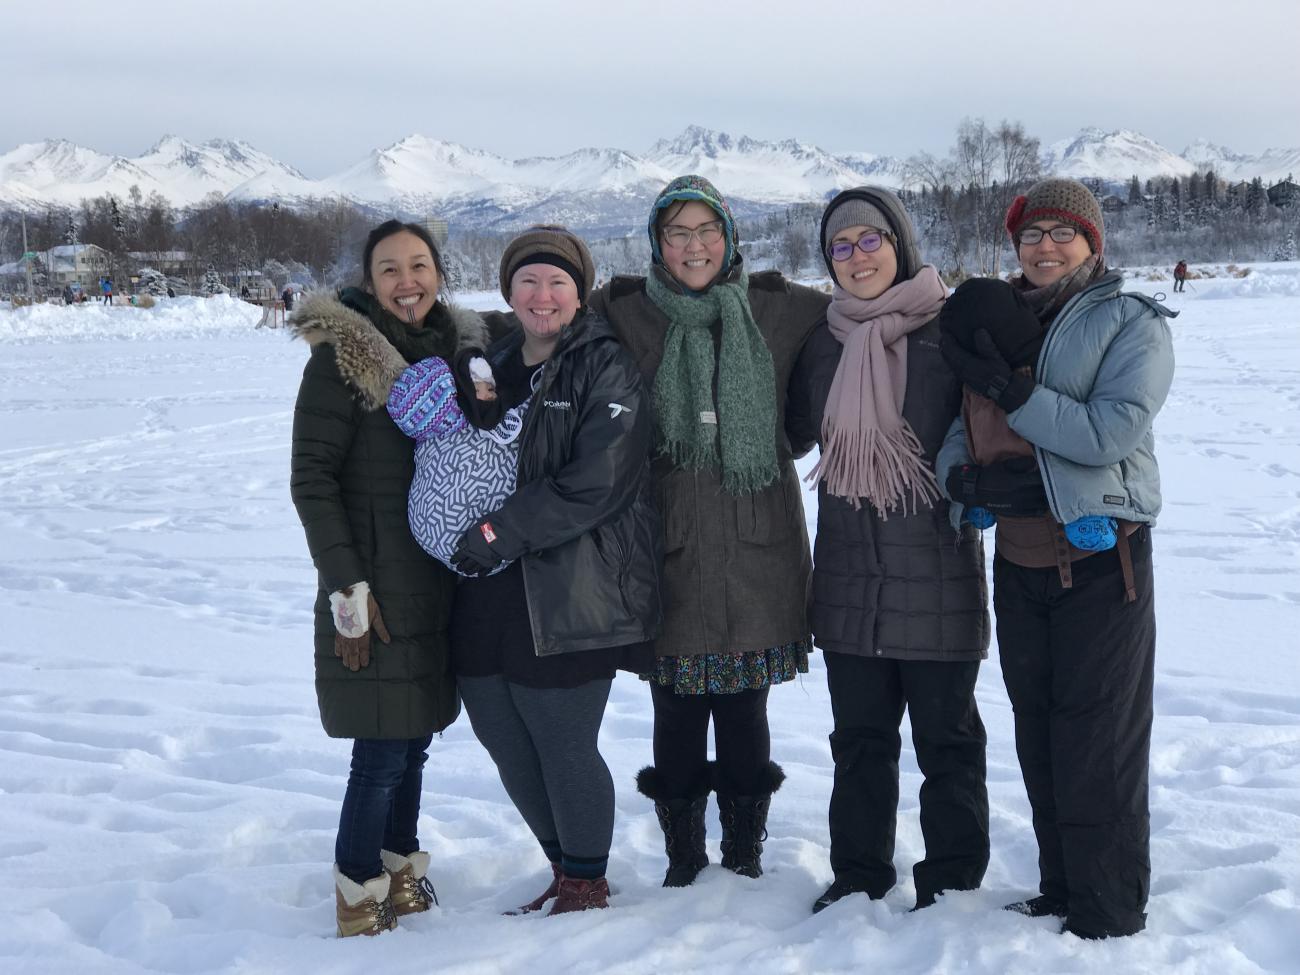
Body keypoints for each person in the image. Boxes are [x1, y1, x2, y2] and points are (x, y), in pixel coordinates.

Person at [937, 178, 1175, 939]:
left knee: (1097, 737)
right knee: (1037, 730)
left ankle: (1108, 905)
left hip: (1105, 564)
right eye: (1031, 233)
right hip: (1019, 560)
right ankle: (1061, 884)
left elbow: (1109, 433)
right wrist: (960, 480)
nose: (1045, 246)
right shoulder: (989, 315)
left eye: (1061, 232)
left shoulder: (1129, 321)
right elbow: (961, 421)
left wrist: (1014, 390)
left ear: (1092, 242)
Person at [589, 176, 829, 886]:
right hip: (666, 540)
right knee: (676, 705)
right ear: (658, 244)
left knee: (745, 703)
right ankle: (685, 855)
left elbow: (865, 313)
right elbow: (549, 315)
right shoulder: (627, 313)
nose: (695, 246)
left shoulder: (779, 310)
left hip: (759, 541)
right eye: (678, 233)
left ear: (729, 237)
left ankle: (745, 850)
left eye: (707, 231)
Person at [786, 187, 990, 914]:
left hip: (938, 573)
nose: (857, 256)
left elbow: (992, 421)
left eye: (870, 239)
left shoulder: (947, 331)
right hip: (848, 581)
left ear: (900, 244)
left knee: (948, 742)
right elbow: (792, 435)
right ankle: (859, 873)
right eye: (840, 246)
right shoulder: (822, 342)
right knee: (860, 743)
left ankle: (955, 880)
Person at [445, 226, 660, 914]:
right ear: (509, 289)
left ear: (580, 292)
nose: (543, 295)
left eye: (558, 282)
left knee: (562, 738)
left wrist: (496, 529)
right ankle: (563, 863)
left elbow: (597, 480)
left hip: (570, 585)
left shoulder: (606, 366)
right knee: (502, 735)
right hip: (482, 588)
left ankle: (584, 882)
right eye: (529, 281)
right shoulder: (488, 364)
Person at [289, 219, 487, 937]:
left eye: (420, 265)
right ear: (369, 282)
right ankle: (356, 889)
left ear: (439, 272)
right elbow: (312, 479)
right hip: (370, 586)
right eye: (390, 269)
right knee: (378, 749)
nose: (408, 282)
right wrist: (346, 583)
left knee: (415, 735)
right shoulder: (342, 360)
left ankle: (400, 868)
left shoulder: (463, 351)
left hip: (437, 581)